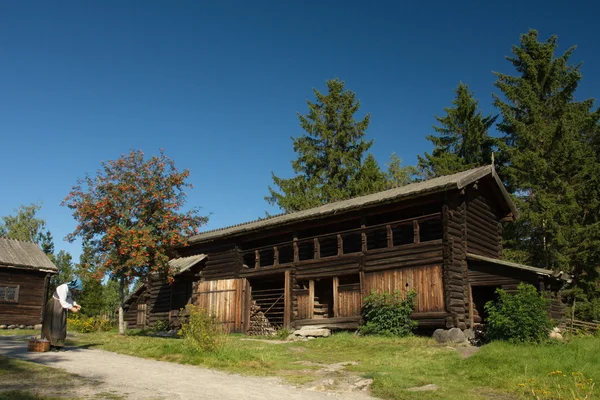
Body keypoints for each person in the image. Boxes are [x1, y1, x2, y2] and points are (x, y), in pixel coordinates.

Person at [42, 277, 83, 351]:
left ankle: (59, 344)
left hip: (61, 306)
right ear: (74, 286)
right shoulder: (64, 288)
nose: (76, 290)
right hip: (54, 305)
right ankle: (51, 344)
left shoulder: (69, 290)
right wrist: (72, 308)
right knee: (54, 324)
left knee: (61, 324)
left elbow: (69, 299)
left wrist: (75, 304)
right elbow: (63, 301)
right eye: (76, 289)